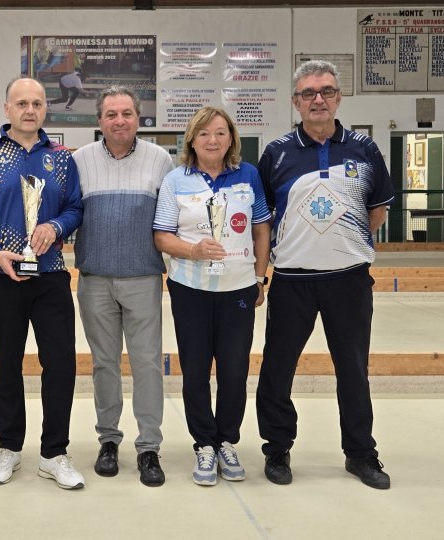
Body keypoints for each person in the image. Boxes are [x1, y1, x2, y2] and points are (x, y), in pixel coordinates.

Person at [255, 60, 394, 489]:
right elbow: (264, 219)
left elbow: (377, 211)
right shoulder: (276, 153)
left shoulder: (365, 149)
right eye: (308, 93)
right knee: (278, 369)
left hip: (348, 280)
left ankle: (360, 453)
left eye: (326, 91)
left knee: (353, 368)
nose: (318, 99)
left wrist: (339, 245)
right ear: (296, 102)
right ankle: (277, 449)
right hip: (293, 280)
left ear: (338, 97)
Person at [0, 77, 84, 489]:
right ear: (7, 109)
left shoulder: (62, 158)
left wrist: (56, 224)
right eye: (22, 103)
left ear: (46, 109)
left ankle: (54, 453)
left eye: (38, 103)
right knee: (7, 362)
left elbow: (76, 207)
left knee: (61, 362)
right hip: (1, 276)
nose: (30, 110)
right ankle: (9, 446)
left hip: (50, 276)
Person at [153, 107, 271, 486]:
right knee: (196, 369)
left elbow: (261, 230)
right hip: (190, 288)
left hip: (238, 288)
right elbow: (162, 236)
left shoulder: (248, 175)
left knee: (235, 370)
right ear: (191, 139)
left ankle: (227, 441)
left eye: (220, 133)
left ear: (231, 138)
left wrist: (258, 277)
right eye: (204, 134)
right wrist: (193, 251)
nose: (213, 140)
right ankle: (204, 443)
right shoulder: (175, 180)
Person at [72, 85, 173, 487]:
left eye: (127, 113)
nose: (119, 121)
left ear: (138, 118)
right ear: (100, 121)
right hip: (95, 280)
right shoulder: (79, 161)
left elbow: (171, 218)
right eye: (111, 114)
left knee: (148, 365)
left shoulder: (160, 160)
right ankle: (108, 441)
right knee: (104, 365)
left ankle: (149, 447)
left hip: (143, 279)